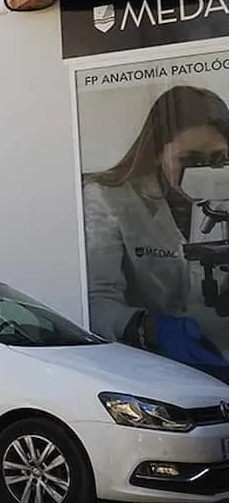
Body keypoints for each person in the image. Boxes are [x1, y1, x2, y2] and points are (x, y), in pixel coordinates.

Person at [83, 84, 229, 378]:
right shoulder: (109, 198)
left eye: (218, 159)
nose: (205, 172)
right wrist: (148, 327)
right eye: (189, 160)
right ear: (155, 154)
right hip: (148, 368)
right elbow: (95, 300)